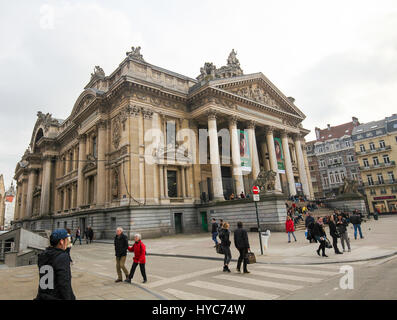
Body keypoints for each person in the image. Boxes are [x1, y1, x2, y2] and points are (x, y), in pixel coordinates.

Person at [35, 229, 76, 300]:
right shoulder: (62, 256)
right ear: (61, 242)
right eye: (67, 239)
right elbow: (64, 283)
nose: (68, 242)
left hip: (43, 295)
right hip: (56, 296)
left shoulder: (43, 255)